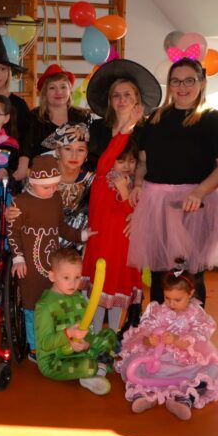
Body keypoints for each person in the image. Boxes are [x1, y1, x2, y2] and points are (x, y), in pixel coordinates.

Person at [128, 58, 218, 305]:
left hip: (195, 207)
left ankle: (192, 329)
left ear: (202, 83)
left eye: (189, 81)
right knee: (159, 274)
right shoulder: (156, 118)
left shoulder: (214, 120)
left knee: (190, 276)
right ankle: (158, 327)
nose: (182, 87)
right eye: (175, 81)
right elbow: (143, 162)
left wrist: (200, 192)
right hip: (157, 205)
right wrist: (138, 183)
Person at [82, 59, 161, 331]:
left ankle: (122, 329)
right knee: (99, 263)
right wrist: (124, 130)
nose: (122, 100)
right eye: (116, 95)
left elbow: (147, 167)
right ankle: (92, 328)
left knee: (121, 266)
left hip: (131, 205)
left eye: (128, 95)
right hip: (102, 204)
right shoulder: (98, 129)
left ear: (137, 99)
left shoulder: (146, 130)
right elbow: (102, 167)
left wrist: (138, 208)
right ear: (109, 100)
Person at [116, 264, 218, 419]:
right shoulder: (158, 311)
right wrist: (150, 340)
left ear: (190, 293)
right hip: (159, 358)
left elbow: (200, 336)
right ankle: (144, 395)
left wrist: (177, 340)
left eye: (177, 299)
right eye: (167, 298)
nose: (171, 303)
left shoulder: (195, 313)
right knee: (136, 365)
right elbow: (144, 333)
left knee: (212, 369)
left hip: (186, 360)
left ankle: (184, 399)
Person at [7, 155, 90, 356]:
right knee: (32, 306)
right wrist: (18, 258)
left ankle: (55, 342)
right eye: (46, 187)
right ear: (33, 182)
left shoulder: (55, 198)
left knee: (53, 303)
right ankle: (35, 348)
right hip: (30, 266)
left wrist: (81, 235)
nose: (52, 190)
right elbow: (13, 232)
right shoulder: (21, 202)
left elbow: (60, 226)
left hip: (53, 264)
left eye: (55, 185)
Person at [33, 247, 116, 395]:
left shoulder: (78, 298)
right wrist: (68, 334)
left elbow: (87, 330)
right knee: (89, 365)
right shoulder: (44, 306)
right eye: (66, 277)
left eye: (77, 277)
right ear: (52, 276)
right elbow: (45, 344)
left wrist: (87, 344)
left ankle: (99, 369)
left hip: (80, 351)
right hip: (54, 359)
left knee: (109, 333)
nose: (73, 283)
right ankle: (98, 366)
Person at [22, 65, 91, 178]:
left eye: (63, 87)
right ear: (45, 92)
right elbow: (26, 148)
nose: (58, 92)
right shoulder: (33, 117)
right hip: (42, 177)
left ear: (70, 90)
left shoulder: (82, 117)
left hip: (75, 178)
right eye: (52, 88)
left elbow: (89, 151)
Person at [42, 122, 94, 251]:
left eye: (80, 150)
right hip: (42, 244)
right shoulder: (42, 176)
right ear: (58, 151)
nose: (74, 156)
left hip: (79, 248)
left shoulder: (92, 181)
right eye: (68, 149)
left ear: (86, 153)